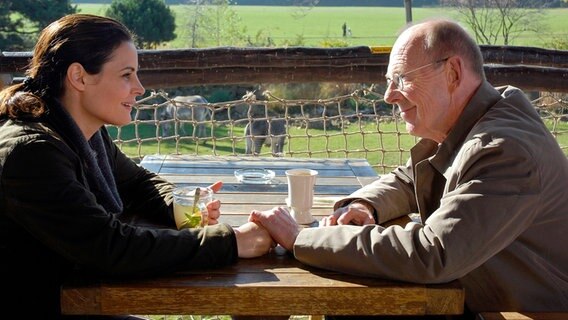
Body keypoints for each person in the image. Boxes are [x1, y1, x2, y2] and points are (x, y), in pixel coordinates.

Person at [250, 18, 568, 314]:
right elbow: (410, 178)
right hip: (477, 293)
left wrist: (300, 239)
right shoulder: (471, 121)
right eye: (389, 81)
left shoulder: (504, 151)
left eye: (402, 79)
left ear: (453, 73)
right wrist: (366, 204)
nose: (389, 96)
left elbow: (432, 254)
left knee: (354, 303)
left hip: (519, 312)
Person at [0, 14, 273, 319]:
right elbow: (111, 248)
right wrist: (231, 241)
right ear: (79, 77)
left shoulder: (81, 132)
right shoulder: (32, 154)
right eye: (126, 75)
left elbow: (136, 182)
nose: (140, 88)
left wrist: (179, 205)